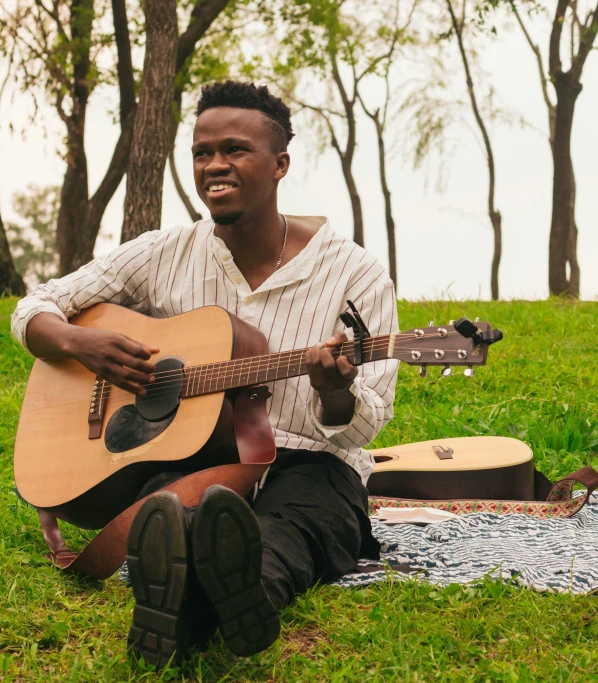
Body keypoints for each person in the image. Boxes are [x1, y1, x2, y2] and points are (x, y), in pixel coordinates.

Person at [11, 81, 399, 667]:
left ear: (280, 164)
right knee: (173, 510)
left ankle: (199, 608)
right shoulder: (164, 250)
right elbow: (33, 306)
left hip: (310, 462)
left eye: (236, 149)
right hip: (195, 461)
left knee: (297, 527)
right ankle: (197, 594)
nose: (215, 165)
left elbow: (363, 423)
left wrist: (336, 391)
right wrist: (79, 343)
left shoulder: (354, 273)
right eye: (202, 152)